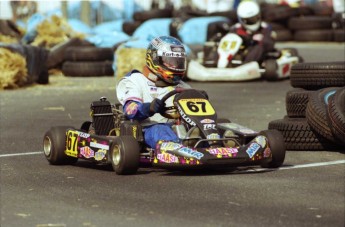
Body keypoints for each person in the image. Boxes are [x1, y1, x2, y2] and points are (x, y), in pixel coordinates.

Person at [116, 35, 190, 149]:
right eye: (170, 62)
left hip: (180, 127)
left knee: (211, 126)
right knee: (161, 130)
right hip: (148, 128)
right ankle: (178, 149)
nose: (175, 66)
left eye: (178, 62)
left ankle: (215, 143)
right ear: (155, 59)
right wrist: (148, 108)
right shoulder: (136, 80)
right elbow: (130, 110)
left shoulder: (181, 85)